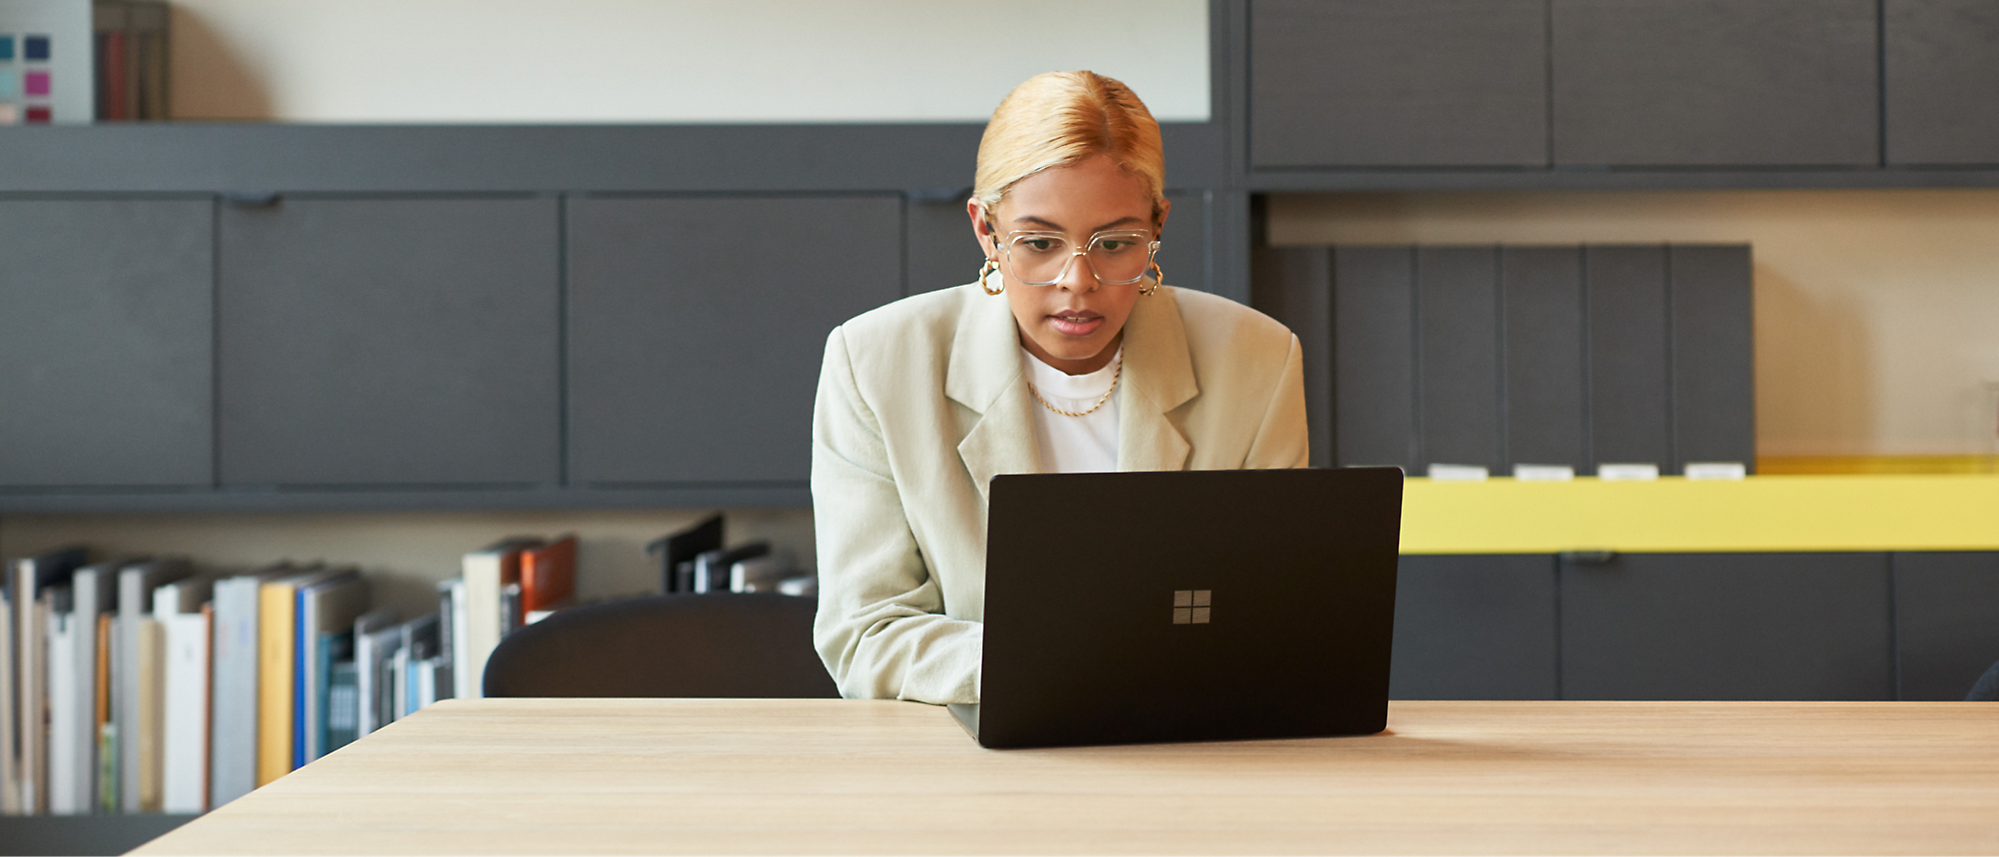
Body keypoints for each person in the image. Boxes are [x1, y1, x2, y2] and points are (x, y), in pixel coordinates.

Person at [810, 70, 1308, 704]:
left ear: (1158, 225)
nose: (1078, 279)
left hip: (1182, 746)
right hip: (972, 756)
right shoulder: (875, 362)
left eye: (1117, 243)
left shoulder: (1256, 359)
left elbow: (1274, 617)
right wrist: (1061, 659)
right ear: (986, 230)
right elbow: (866, 637)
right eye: (1040, 243)